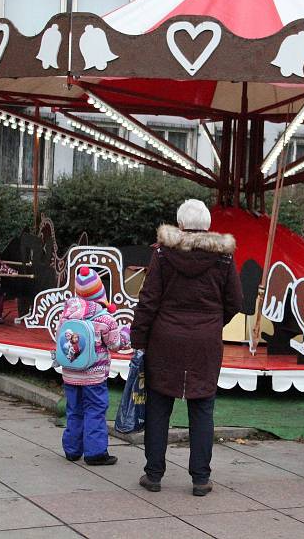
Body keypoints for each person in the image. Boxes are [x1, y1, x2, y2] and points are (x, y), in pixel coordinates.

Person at [130, 199, 243, 497]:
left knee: (158, 408)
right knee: (202, 408)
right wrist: (212, 323)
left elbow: (148, 300)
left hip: (164, 340)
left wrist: (138, 339)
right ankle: (200, 479)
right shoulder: (223, 259)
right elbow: (235, 303)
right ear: (208, 225)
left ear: (180, 225)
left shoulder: (163, 255)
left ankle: (153, 475)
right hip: (205, 343)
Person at [57, 266, 130, 465]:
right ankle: (95, 452)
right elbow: (115, 344)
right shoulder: (105, 318)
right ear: (100, 292)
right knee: (95, 410)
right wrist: (126, 334)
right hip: (95, 375)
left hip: (70, 373)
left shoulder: (66, 315)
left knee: (74, 409)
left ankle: (72, 450)